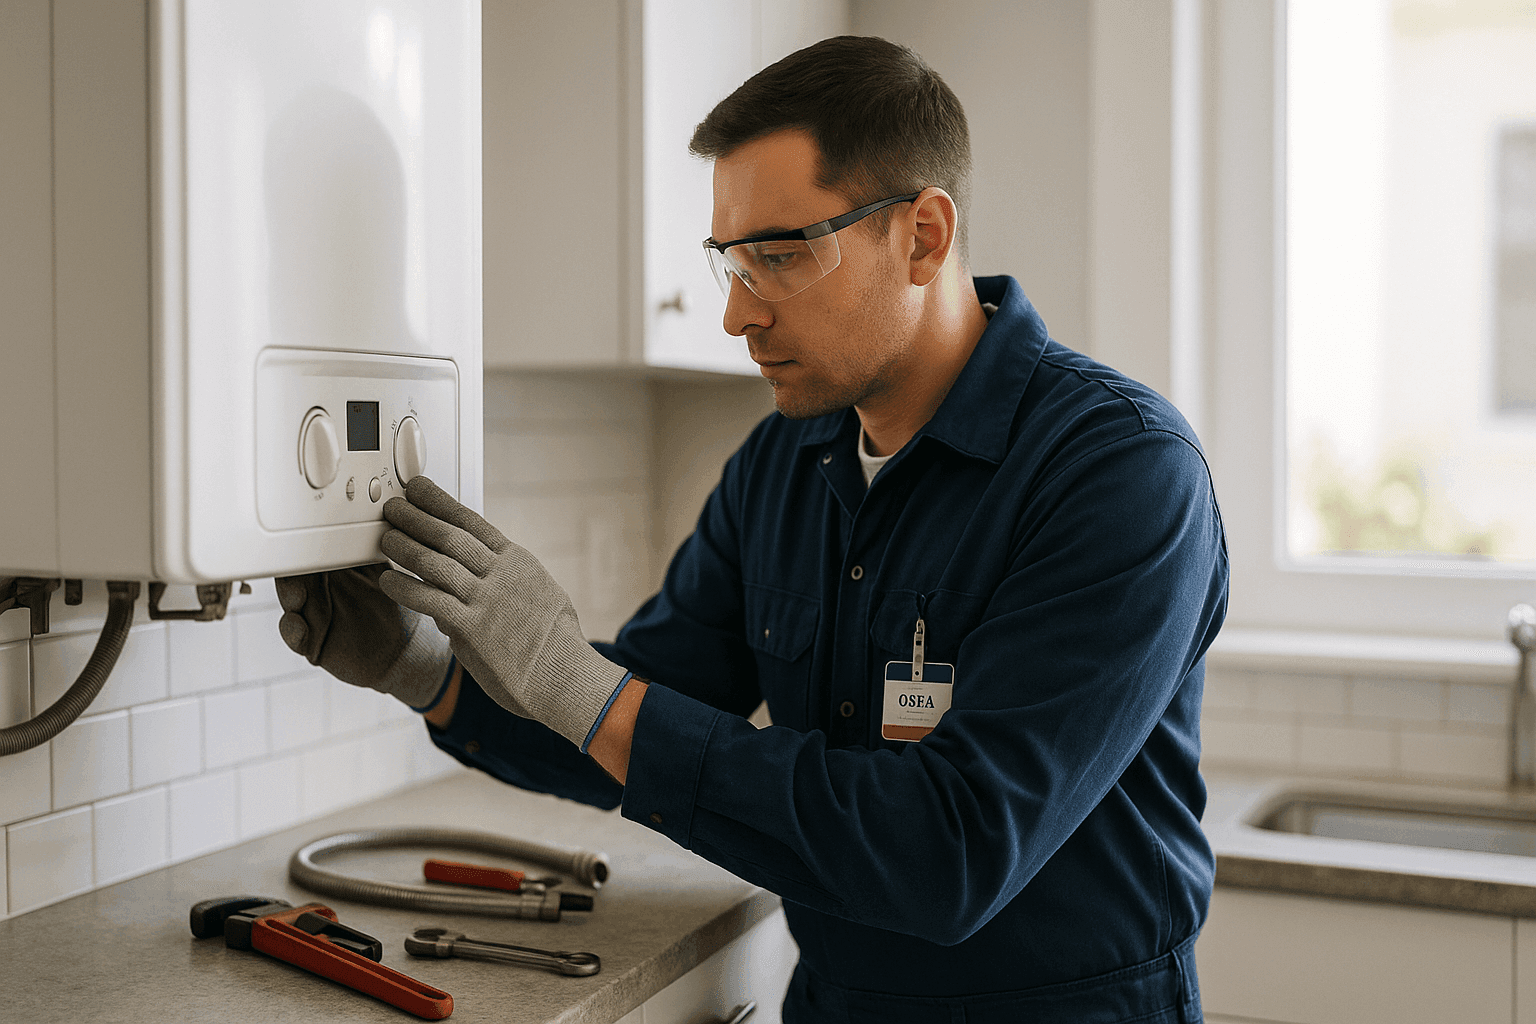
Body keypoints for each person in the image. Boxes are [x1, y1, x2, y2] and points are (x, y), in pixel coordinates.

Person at [277, 35, 1227, 1023]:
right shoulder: (784, 464)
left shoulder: (1121, 473)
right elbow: (633, 718)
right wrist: (427, 668)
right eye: (730, 260)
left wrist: (576, 678)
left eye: (780, 256)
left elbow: (949, 849)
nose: (736, 313)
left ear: (925, 237)